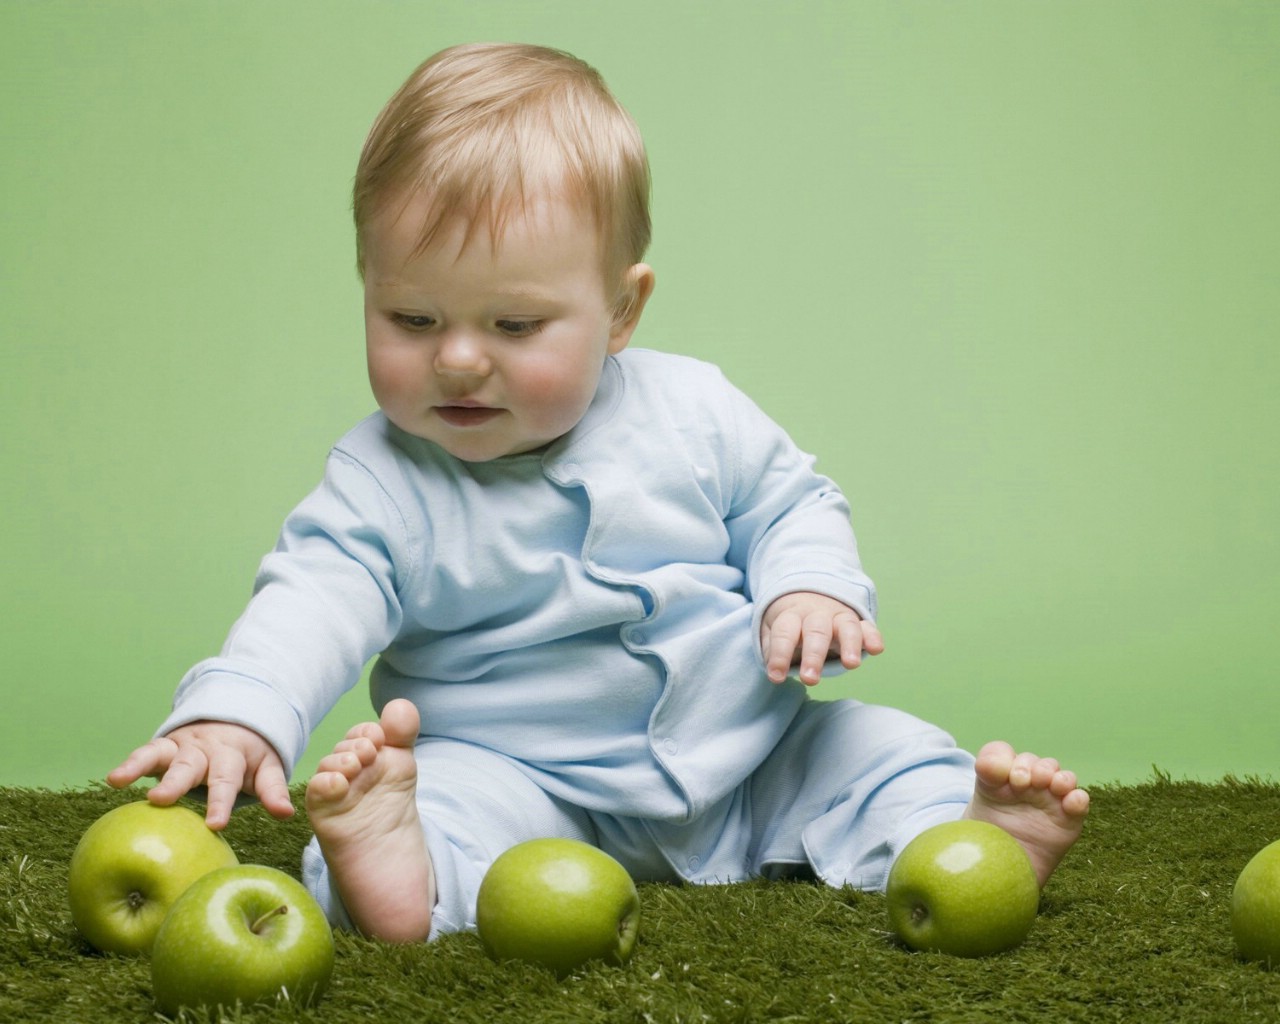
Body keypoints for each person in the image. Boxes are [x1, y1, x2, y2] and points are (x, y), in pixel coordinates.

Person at [109, 42, 1088, 943]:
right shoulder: (383, 483)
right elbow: (310, 600)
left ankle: (967, 836)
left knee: (878, 750)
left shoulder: (693, 409)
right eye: (409, 316)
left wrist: (806, 586)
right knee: (429, 810)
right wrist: (241, 709)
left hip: (746, 755)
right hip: (520, 784)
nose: (455, 359)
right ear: (365, 283)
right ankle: (398, 872)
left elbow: (788, 502)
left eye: (513, 324)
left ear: (620, 309)